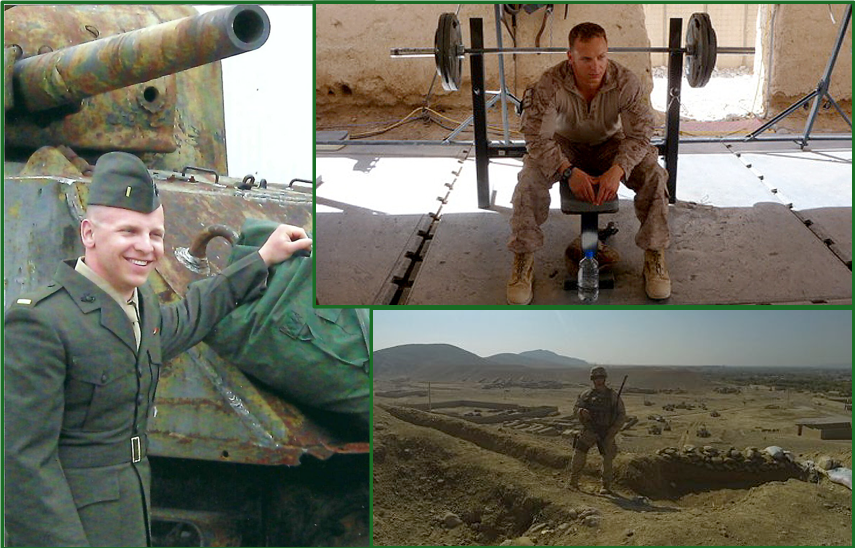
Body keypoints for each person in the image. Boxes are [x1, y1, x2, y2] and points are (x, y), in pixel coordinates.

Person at [4, 152, 313, 547]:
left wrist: (261, 258)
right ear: (89, 233)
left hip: (128, 514)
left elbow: (188, 316)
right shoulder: (41, 322)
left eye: (155, 234)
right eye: (129, 231)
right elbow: (23, 464)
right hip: (75, 526)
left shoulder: (139, 305)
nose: (146, 247)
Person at [507, 22, 671, 305]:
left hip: (611, 145)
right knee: (528, 181)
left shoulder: (625, 81)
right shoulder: (550, 83)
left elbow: (641, 134)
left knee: (654, 174)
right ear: (570, 58)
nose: (596, 66)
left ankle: (654, 256)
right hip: (565, 147)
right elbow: (536, 137)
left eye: (601, 57)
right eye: (586, 59)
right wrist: (567, 170)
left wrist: (618, 169)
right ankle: (523, 260)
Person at [568, 366, 627, 494]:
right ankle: (573, 482)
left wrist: (612, 432)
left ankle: (605, 486)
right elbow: (575, 409)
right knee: (578, 454)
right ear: (592, 379)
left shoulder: (612, 396)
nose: (598, 380)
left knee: (607, 459)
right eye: (596, 378)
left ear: (604, 378)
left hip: (606, 433)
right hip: (589, 431)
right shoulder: (586, 394)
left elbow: (621, 415)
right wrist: (581, 411)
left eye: (601, 377)